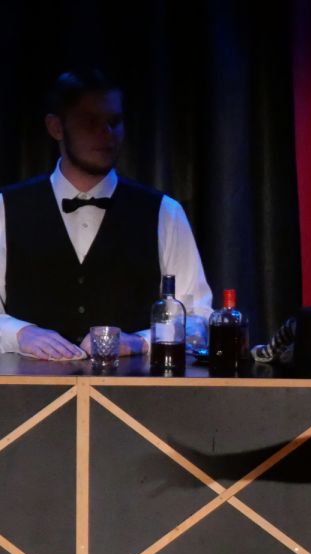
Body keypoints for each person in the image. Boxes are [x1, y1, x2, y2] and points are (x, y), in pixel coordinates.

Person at [0, 68, 211, 361]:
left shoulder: (164, 212)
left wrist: (140, 342)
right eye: (90, 122)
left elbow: (198, 318)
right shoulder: (6, 207)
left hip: (134, 389)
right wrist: (20, 333)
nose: (106, 134)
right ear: (56, 127)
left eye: (115, 122)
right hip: (25, 388)